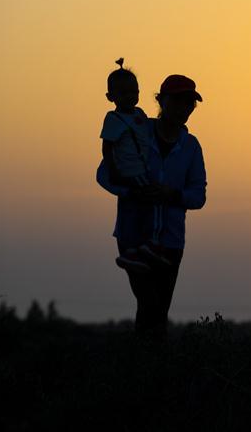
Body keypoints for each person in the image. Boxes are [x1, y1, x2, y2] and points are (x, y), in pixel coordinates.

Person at [97, 74, 207, 340]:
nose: (184, 108)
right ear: (161, 101)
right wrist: (135, 192)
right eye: (178, 101)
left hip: (169, 243)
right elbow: (104, 174)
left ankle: (149, 373)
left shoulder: (190, 147)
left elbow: (198, 197)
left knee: (156, 314)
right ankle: (148, 371)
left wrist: (172, 195)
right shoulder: (136, 129)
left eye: (189, 103)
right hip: (133, 238)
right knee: (151, 307)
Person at [100, 58, 164, 273]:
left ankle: (144, 246)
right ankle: (136, 249)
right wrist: (113, 170)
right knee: (139, 206)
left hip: (142, 170)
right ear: (111, 97)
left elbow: (150, 130)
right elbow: (107, 147)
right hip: (129, 172)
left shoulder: (139, 115)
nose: (131, 97)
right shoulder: (113, 119)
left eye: (134, 91)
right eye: (124, 93)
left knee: (145, 206)